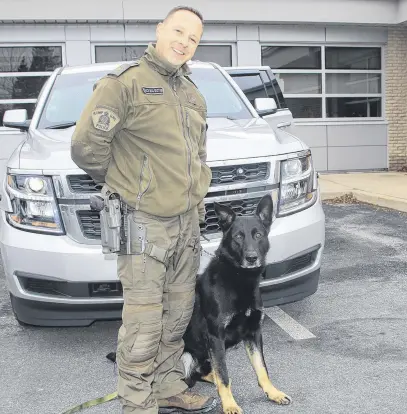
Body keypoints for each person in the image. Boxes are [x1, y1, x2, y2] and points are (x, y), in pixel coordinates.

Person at [71, 6, 216, 414]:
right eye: (178, 31)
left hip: (186, 223)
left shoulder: (191, 91)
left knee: (178, 313)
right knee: (145, 321)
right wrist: (130, 186)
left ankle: (169, 387)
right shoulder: (125, 84)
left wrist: (197, 205)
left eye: (193, 38)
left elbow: (197, 156)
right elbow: (86, 147)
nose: (184, 41)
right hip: (144, 222)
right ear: (159, 30)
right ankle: (137, 403)